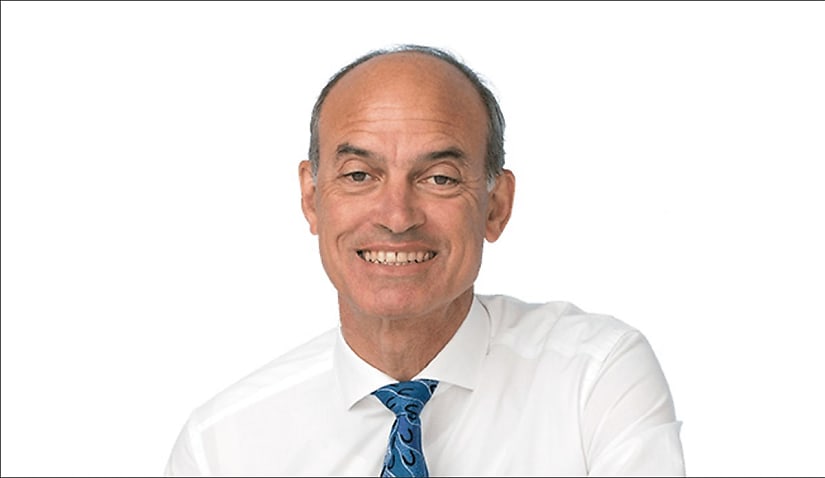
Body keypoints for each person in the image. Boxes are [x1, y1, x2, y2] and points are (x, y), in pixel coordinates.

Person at [165, 44, 685, 476]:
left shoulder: (594, 380)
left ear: (496, 206)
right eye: (359, 175)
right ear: (311, 197)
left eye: (439, 178)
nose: (397, 217)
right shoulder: (222, 449)